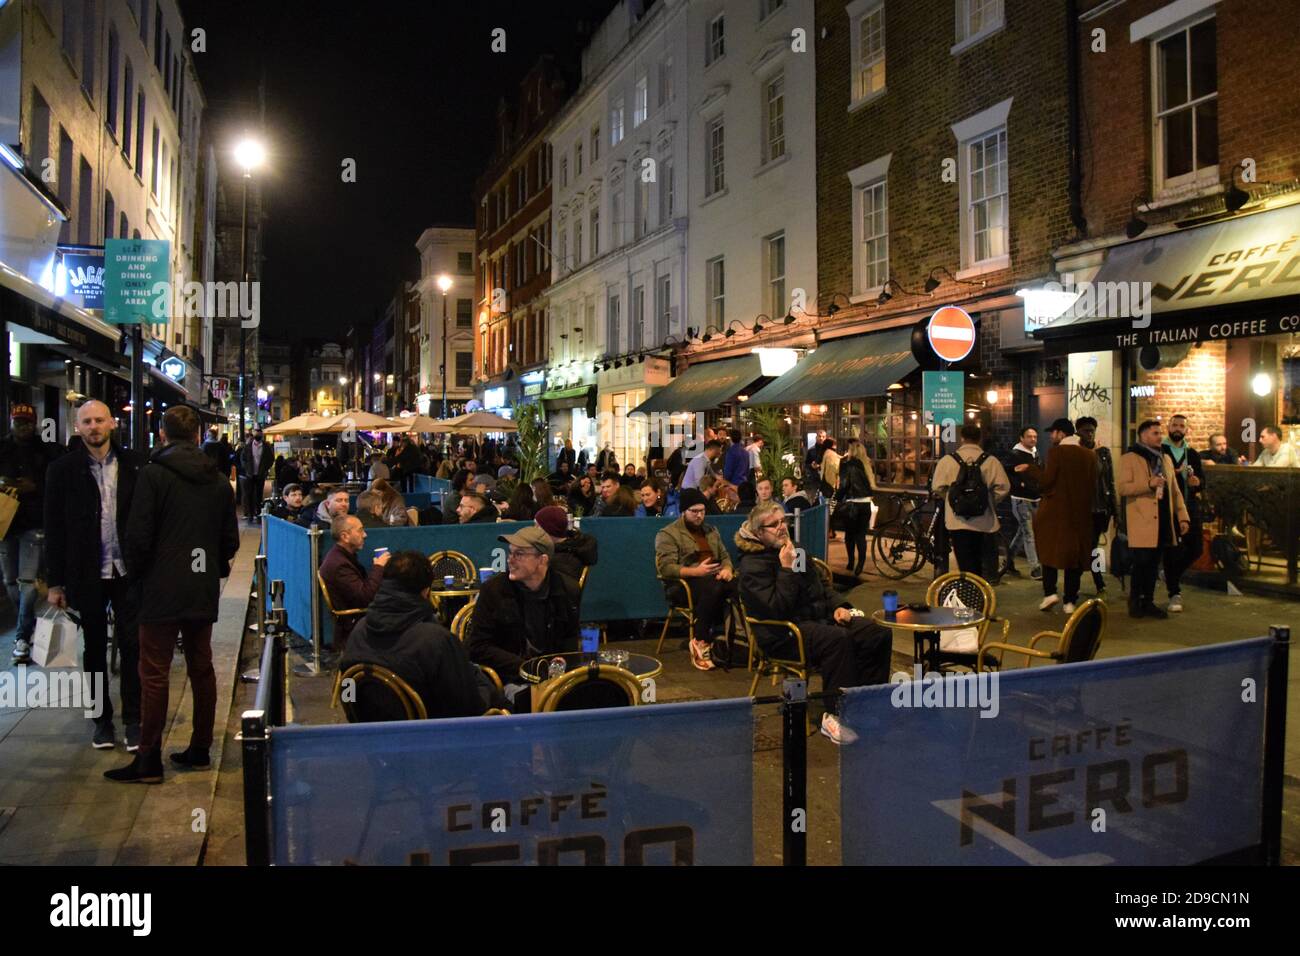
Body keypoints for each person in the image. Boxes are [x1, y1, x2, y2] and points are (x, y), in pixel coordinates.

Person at [107, 405, 239, 783]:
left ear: (162, 434)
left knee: (154, 672)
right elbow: (229, 539)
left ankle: (148, 758)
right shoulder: (216, 481)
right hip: (200, 586)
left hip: (160, 588)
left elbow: (138, 535)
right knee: (202, 667)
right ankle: (200, 748)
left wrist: (139, 577)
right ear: (198, 435)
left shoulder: (152, 475)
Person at [736, 501, 893, 744]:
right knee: (837, 640)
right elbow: (777, 609)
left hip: (813, 621)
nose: (781, 527)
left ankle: (867, 702)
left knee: (875, 632)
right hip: (782, 633)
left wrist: (840, 606)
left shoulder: (793, 551)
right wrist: (786, 569)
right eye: (773, 524)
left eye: (783, 521)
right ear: (758, 533)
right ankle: (836, 715)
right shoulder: (752, 565)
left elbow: (818, 588)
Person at [44, 400, 142, 750]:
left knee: (133, 647)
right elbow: (53, 528)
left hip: (128, 571)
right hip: (87, 573)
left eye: (99, 420)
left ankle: (134, 719)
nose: (94, 426)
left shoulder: (134, 464)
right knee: (95, 649)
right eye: (87, 421)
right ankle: (101, 720)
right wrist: (55, 581)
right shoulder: (62, 470)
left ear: (112, 423)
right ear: (77, 426)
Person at [340, 550, 495, 718]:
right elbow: (466, 708)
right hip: (430, 736)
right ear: (426, 591)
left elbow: (347, 691)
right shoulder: (437, 641)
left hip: (369, 733)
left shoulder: (358, 630)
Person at [468, 526, 582, 711]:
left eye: (519, 554)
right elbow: (477, 647)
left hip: (554, 677)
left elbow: (569, 641)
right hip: (510, 678)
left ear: (542, 560)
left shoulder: (567, 590)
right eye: (510, 553)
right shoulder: (494, 590)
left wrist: (557, 673)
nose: (510, 560)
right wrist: (527, 668)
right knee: (536, 703)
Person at [0, 403, 63, 662]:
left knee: (26, 582)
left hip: (33, 523)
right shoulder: (3, 448)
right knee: (10, 581)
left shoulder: (45, 451)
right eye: (19, 422)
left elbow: (54, 484)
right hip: (5, 523)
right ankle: (26, 624)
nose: (23, 427)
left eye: (27, 422)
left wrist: (34, 487)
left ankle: (22, 637)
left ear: (34, 423)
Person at [1015, 419, 1097, 614]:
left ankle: (1050, 593)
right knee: (1074, 559)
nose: (1051, 437)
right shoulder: (1089, 455)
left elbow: (1046, 481)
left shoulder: (1057, 452)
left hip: (1055, 513)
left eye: (1053, 433)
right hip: (1080, 514)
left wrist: (1030, 470)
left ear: (1061, 433)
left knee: (1048, 551)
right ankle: (1070, 601)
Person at [654, 488, 736, 671]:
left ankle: (738, 640)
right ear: (684, 510)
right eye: (694, 511)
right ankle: (700, 640)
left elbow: (724, 556)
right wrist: (695, 571)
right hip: (684, 583)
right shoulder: (668, 534)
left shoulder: (710, 530)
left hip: (713, 577)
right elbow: (665, 567)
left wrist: (728, 569)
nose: (699, 516)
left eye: (702, 511)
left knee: (740, 585)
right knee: (713, 587)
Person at [1118, 420, 1190, 620]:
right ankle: (1135, 601)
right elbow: (1123, 488)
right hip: (1142, 521)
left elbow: (1175, 491)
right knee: (1141, 563)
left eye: (1160, 433)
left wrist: (1183, 517)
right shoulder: (1130, 458)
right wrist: (1148, 484)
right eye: (1155, 433)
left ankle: (1148, 601)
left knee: (1153, 565)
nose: (1160, 436)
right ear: (1143, 436)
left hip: (1163, 520)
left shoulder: (1165, 459)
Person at [931, 424, 1011, 575]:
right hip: (984, 522)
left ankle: (969, 592)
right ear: (979, 439)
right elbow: (1003, 487)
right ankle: (980, 591)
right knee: (980, 561)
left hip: (957, 521)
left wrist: (952, 501)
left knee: (964, 561)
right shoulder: (991, 461)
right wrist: (989, 501)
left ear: (962, 438)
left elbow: (937, 487)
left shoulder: (948, 460)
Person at [319, 514, 390, 653]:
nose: (365, 535)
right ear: (345, 536)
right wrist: (378, 567)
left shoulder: (342, 557)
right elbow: (365, 598)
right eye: (360, 530)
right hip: (355, 625)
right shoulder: (339, 565)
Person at [1158, 414, 1204, 613]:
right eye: (1174, 425)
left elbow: (1202, 479)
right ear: (1168, 427)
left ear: (1187, 429)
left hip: (1190, 505)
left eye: (1181, 426)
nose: (1178, 428)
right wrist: (1174, 474)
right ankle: (1174, 593)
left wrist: (1198, 482)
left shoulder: (1192, 453)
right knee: (1172, 550)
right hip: (1169, 507)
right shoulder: (1161, 451)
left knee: (1197, 548)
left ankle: (1170, 575)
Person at [1076, 416, 1118, 596]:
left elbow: (1110, 481)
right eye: (1086, 430)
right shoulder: (1075, 453)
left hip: (1100, 507)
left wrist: (1115, 510)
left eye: (1092, 430)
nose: (1090, 434)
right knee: (1083, 546)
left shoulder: (1103, 452)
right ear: (1078, 432)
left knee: (1095, 545)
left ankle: (1098, 580)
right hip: (1082, 508)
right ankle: (1083, 581)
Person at [1004, 425, 1042, 580]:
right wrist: (1019, 484)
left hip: (1035, 497)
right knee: (1028, 533)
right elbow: (1007, 473)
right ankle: (1035, 568)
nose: (1033, 439)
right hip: (1021, 499)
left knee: (1023, 532)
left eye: (1035, 436)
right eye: (1029, 436)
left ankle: (1008, 562)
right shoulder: (1014, 454)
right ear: (1021, 438)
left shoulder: (1035, 453)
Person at [835, 439, 876, 576]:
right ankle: (860, 564)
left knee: (849, 536)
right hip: (865, 504)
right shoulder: (866, 465)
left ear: (851, 451)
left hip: (852, 504)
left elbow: (844, 484)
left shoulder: (848, 465)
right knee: (861, 536)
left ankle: (851, 562)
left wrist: (837, 497)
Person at [535, 505, 598, 583]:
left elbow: (558, 591)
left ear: (549, 529)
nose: (534, 530)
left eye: (537, 526)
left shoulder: (561, 561)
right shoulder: (569, 549)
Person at [237, 428, 273, 522]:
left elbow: (270, 459)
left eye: (259, 434)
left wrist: (265, 469)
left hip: (260, 474)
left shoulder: (266, 447)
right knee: (249, 494)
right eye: (256, 434)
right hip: (250, 474)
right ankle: (251, 514)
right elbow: (243, 459)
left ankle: (258, 514)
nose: (257, 436)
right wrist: (247, 469)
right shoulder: (248, 446)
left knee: (259, 495)